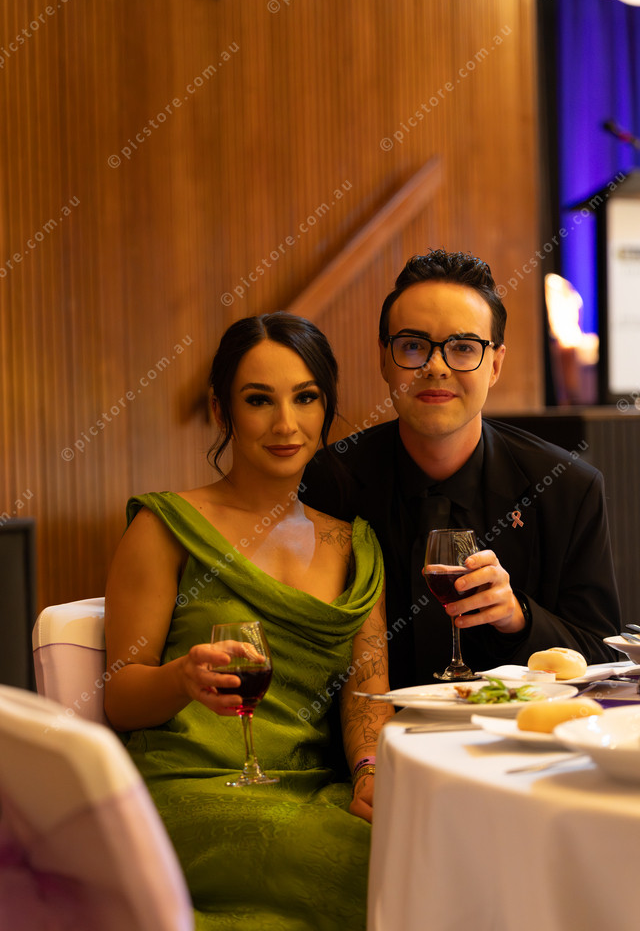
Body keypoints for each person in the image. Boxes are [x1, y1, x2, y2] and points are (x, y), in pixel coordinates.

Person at [104, 312, 393, 931]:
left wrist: (369, 772)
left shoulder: (355, 546)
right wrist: (180, 678)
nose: (286, 424)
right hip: (191, 786)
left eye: (305, 398)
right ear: (221, 410)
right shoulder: (164, 526)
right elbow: (119, 697)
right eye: (259, 400)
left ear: (326, 407)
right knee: (370, 872)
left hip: (313, 790)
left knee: (425, 851)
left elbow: (367, 696)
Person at [302, 249, 621, 689]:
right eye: (413, 346)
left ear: (496, 364)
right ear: (384, 358)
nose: (436, 367)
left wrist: (518, 617)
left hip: (514, 731)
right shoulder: (327, 480)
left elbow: (604, 657)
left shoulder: (567, 488)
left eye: (463, 348)